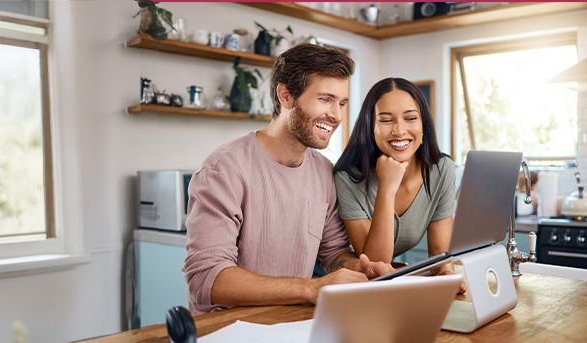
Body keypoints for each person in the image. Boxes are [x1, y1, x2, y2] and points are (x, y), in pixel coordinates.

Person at [183, 44, 395, 315]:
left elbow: (334, 254)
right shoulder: (224, 169)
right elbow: (206, 279)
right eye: (325, 99)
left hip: (292, 323)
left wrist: (361, 268)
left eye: (342, 103)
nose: (337, 115)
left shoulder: (323, 172)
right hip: (227, 329)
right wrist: (310, 288)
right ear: (285, 96)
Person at [333, 77, 467, 294]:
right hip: (336, 285)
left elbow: (439, 251)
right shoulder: (348, 179)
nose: (399, 130)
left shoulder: (441, 170)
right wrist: (387, 188)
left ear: (423, 125)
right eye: (386, 120)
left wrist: (446, 273)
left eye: (410, 118)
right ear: (370, 128)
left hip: (381, 288)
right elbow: (375, 264)